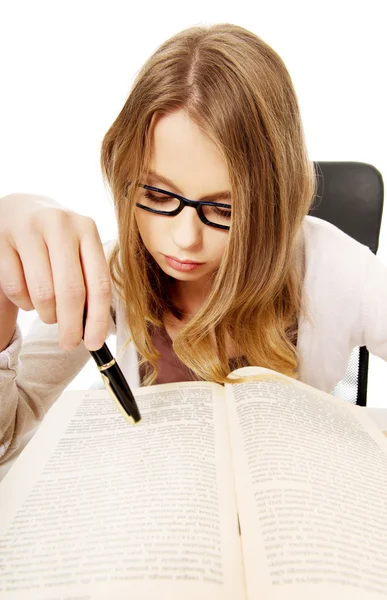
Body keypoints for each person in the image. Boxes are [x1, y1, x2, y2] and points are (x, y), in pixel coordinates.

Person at [0, 23, 386, 463]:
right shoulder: (108, 274)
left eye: (225, 210)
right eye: (157, 196)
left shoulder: (339, 270)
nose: (185, 240)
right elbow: (6, 437)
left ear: (275, 204)